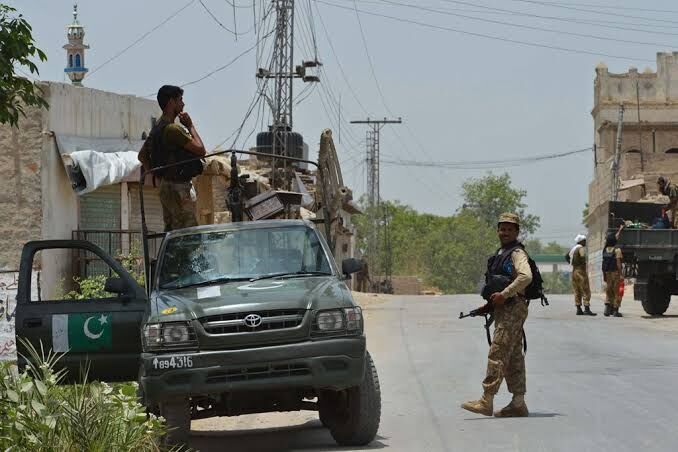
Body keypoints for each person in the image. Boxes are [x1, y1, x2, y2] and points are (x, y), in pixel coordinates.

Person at [461, 213, 532, 418]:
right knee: (514, 355)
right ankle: (518, 403)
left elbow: (526, 277)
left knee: (498, 352)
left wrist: (505, 294)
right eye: (502, 229)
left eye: (510, 229)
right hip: (505, 308)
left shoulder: (517, 253)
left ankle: (487, 400)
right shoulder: (501, 253)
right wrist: (489, 305)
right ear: (498, 230)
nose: (505, 232)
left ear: (516, 232)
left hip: (513, 308)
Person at [142, 85, 207, 232]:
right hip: (178, 188)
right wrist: (190, 126)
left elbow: (142, 155)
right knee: (188, 233)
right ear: (171, 102)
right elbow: (201, 150)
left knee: (172, 231)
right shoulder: (173, 129)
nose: (183, 104)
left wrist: (157, 177)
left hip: (166, 187)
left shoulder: (158, 128)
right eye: (180, 100)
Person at [569, 234, 596, 316]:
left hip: (574, 271)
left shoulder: (573, 249)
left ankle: (578, 309)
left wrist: (573, 263)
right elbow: (583, 256)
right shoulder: (581, 248)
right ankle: (587, 309)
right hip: (581, 271)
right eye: (584, 241)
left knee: (577, 290)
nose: (585, 242)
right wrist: (583, 264)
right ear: (581, 241)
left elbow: (566, 256)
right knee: (585, 289)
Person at [602, 225, 625, 317]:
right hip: (615, 272)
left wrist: (619, 230)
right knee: (616, 291)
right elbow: (618, 264)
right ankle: (615, 310)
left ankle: (607, 309)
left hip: (607, 273)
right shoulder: (617, 250)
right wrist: (621, 274)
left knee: (609, 290)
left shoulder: (605, 250)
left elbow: (603, 264)